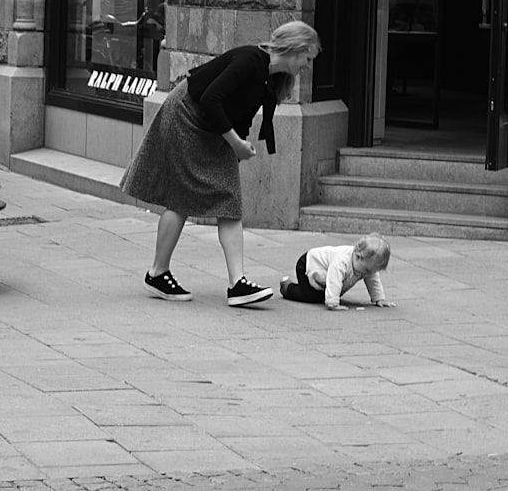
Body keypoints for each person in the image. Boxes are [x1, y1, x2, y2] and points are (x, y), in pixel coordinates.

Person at [120, 20, 321, 306]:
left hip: (212, 126)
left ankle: (237, 284)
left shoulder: (270, 77)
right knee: (180, 197)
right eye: (307, 58)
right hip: (186, 116)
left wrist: (236, 146)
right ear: (294, 48)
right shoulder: (249, 60)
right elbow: (210, 99)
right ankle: (158, 273)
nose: (307, 66)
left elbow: (240, 113)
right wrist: (236, 144)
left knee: (229, 200)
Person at [279, 233, 395, 310]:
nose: (368, 274)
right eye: (367, 270)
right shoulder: (342, 261)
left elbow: (373, 280)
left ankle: (325, 294)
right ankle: (287, 287)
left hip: (323, 275)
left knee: (322, 294)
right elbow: (334, 279)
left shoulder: (366, 265)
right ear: (358, 256)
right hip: (307, 264)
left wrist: (379, 298)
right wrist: (333, 302)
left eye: (372, 271)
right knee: (311, 296)